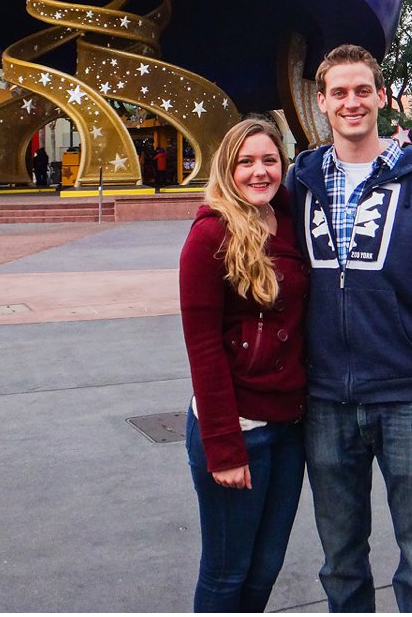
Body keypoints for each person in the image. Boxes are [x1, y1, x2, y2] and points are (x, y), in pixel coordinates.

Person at [286, 45, 412, 613]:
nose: (351, 102)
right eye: (339, 92)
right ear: (321, 103)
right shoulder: (302, 182)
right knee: (340, 564)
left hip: (407, 403)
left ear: (381, 96)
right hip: (324, 404)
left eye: (362, 90)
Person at [179, 118, 309, 612]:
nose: (260, 172)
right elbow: (204, 349)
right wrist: (223, 449)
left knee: (265, 567)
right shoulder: (210, 234)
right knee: (226, 572)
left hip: (289, 426)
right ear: (227, 168)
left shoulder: (291, 220)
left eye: (270, 160)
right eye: (246, 162)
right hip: (238, 428)